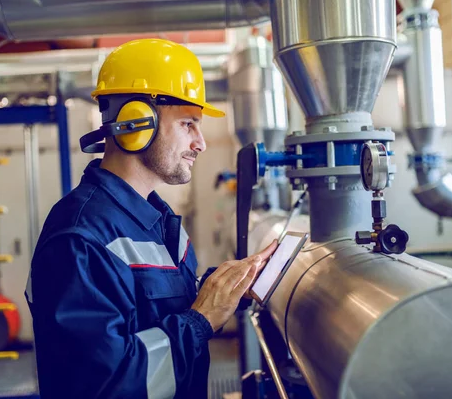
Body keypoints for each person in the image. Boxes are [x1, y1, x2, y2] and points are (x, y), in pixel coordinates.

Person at [25, 38, 277, 399]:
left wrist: (222, 288)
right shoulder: (81, 238)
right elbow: (104, 388)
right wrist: (201, 320)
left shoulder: (158, 220)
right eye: (189, 124)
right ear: (136, 122)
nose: (201, 143)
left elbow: (154, 311)